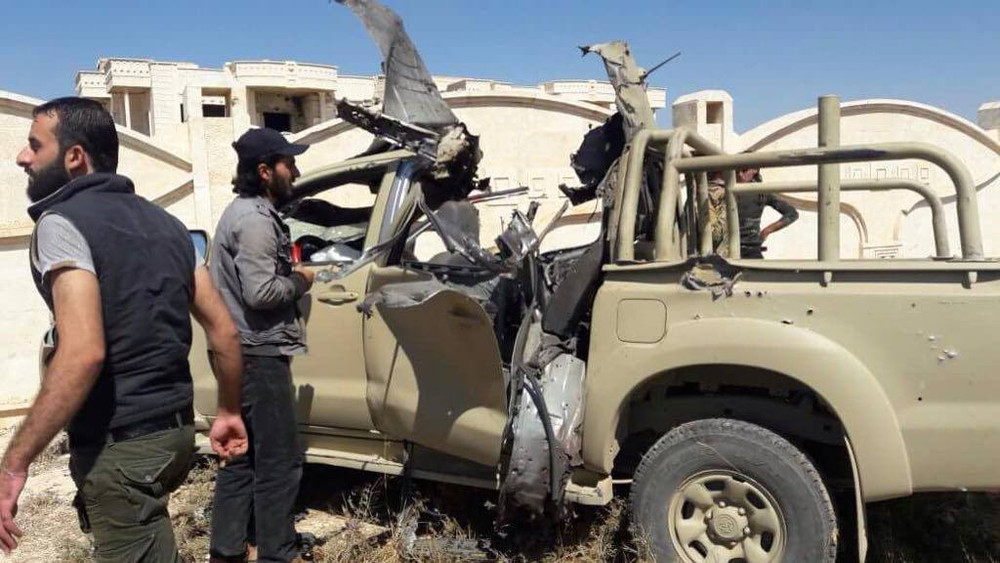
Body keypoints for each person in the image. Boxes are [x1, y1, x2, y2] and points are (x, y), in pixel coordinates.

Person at [0, 97, 247, 561]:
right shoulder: (170, 225)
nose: (22, 157)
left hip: (122, 444)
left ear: (75, 157)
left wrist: (14, 464)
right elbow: (225, 332)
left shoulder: (61, 224)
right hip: (176, 435)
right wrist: (229, 410)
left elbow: (83, 352)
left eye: (35, 145)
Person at [209, 128, 314, 563]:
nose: (296, 171)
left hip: (240, 352)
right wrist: (301, 280)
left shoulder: (242, 213)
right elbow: (261, 292)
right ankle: (277, 553)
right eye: (289, 163)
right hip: (259, 354)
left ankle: (226, 553)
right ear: (266, 171)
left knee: (240, 459)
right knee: (279, 464)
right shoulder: (255, 221)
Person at [735, 166, 799, 258]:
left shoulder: (761, 193)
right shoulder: (723, 190)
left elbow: (792, 213)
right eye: (737, 171)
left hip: (751, 248)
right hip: (726, 248)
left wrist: (768, 230)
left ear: (754, 170)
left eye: (744, 170)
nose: (740, 174)